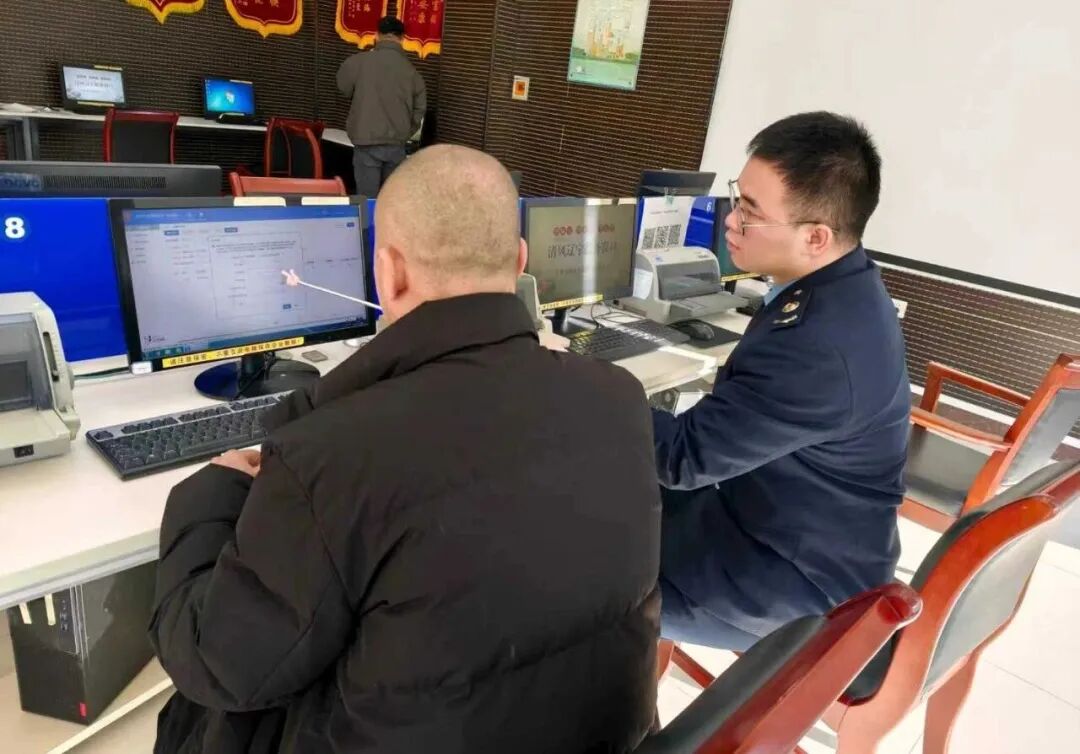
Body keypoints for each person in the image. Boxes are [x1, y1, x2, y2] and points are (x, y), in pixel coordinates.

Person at [148, 145, 661, 754]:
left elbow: (221, 665)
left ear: (388, 273)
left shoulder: (330, 451)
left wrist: (213, 492)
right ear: (521, 261)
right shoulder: (620, 397)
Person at [653, 112, 910, 650]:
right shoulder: (844, 284)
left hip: (791, 581)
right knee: (609, 486)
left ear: (816, 237)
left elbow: (683, 459)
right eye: (737, 198)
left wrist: (591, 387)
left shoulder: (818, 344)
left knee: (578, 557)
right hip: (782, 520)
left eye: (750, 212)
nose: (730, 221)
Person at [336, 16, 427, 197]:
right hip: (396, 145)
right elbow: (419, 109)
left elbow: (343, 87)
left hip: (366, 142)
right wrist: (405, 132)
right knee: (390, 199)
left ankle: (368, 217)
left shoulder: (358, 62)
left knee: (367, 198)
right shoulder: (412, 72)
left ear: (376, 35)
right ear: (402, 39)